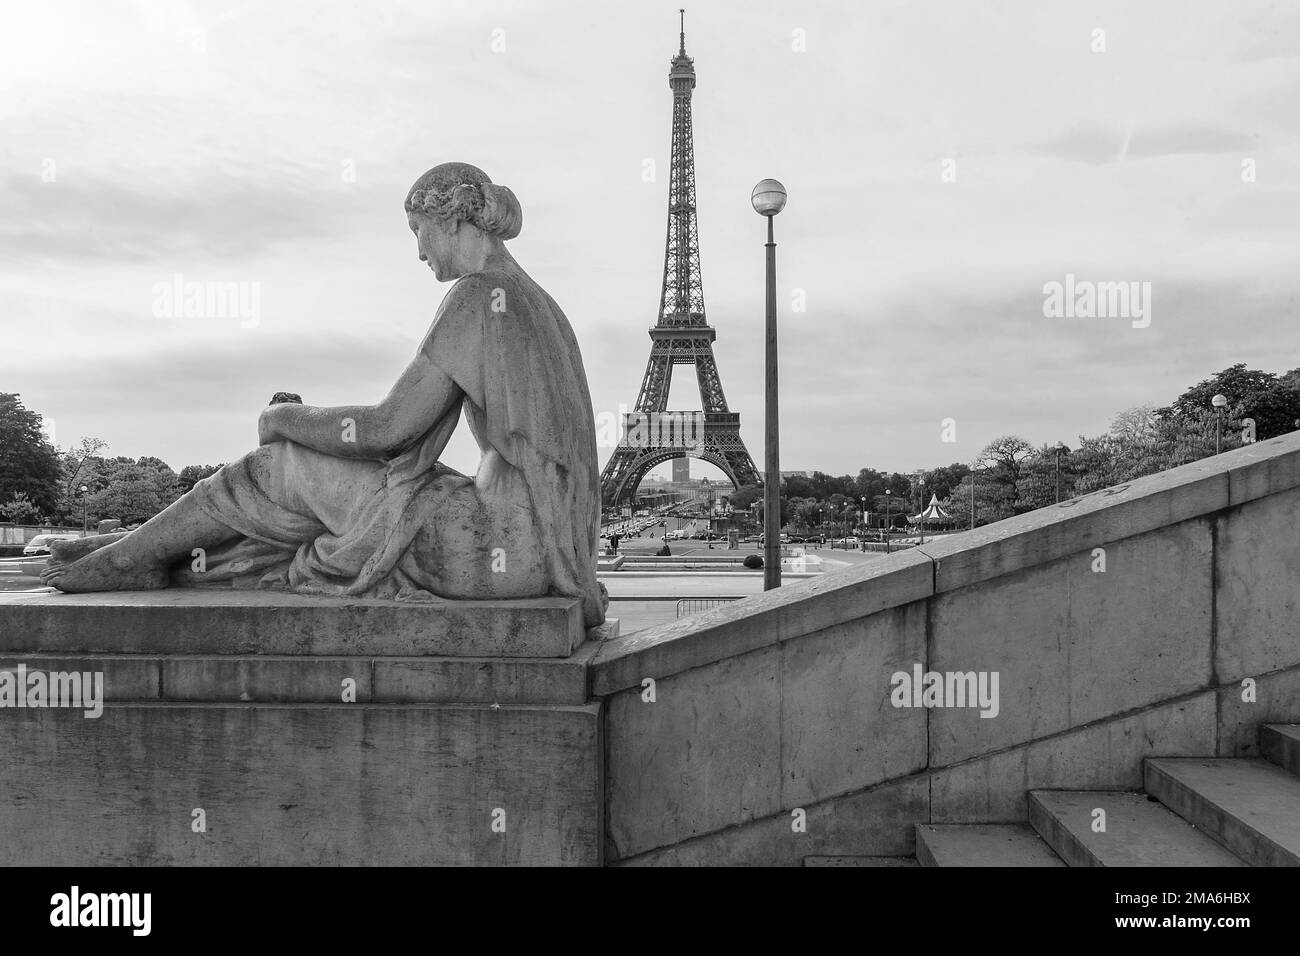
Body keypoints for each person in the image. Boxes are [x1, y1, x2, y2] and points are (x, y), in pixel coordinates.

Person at [44, 162, 606, 628]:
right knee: (321, 504)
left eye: (417, 231)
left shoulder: (480, 295)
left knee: (276, 468)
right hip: (533, 553)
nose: (418, 252)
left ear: (453, 218)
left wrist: (284, 417)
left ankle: (125, 560)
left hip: (486, 551)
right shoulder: (537, 301)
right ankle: (143, 551)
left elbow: (390, 427)